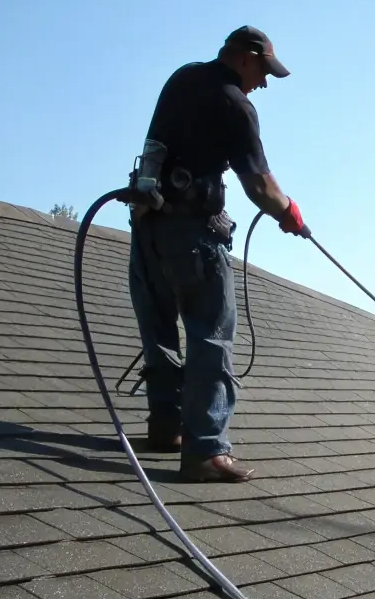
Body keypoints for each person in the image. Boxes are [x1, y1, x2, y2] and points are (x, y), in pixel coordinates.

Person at [128, 25, 309, 483]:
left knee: (159, 331)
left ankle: (166, 428)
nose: (264, 82)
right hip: (193, 236)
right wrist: (289, 212)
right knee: (210, 336)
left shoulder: (183, 78)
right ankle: (206, 450)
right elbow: (260, 187)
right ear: (246, 57)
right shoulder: (234, 103)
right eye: (264, 70)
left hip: (147, 226)